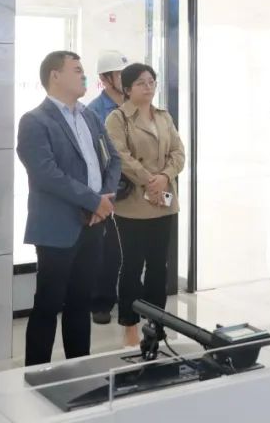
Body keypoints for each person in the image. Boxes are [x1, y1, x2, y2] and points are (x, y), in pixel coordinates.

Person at [17, 51, 121, 365]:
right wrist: (94, 201)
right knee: (48, 305)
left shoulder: (89, 116)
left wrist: (104, 200)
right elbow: (46, 174)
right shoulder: (35, 121)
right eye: (76, 70)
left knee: (80, 303)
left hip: (94, 224)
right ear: (55, 76)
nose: (84, 76)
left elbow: (113, 159)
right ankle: (36, 375)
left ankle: (80, 369)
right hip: (57, 227)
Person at [105, 63, 184, 347]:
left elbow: (178, 152)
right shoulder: (117, 118)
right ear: (127, 88)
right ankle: (129, 324)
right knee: (132, 265)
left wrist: (164, 177)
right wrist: (150, 180)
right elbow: (120, 156)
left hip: (164, 201)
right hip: (133, 205)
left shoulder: (163, 116)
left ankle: (156, 323)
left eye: (151, 81)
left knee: (159, 267)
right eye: (141, 82)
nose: (148, 86)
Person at [87, 50, 129, 325]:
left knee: (132, 249)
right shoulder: (94, 111)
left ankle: (131, 299)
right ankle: (101, 302)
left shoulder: (136, 106)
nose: (125, 79)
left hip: (134, 187)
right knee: (108, 251)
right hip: (108, 188)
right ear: (105, 78)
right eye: (120, 74)